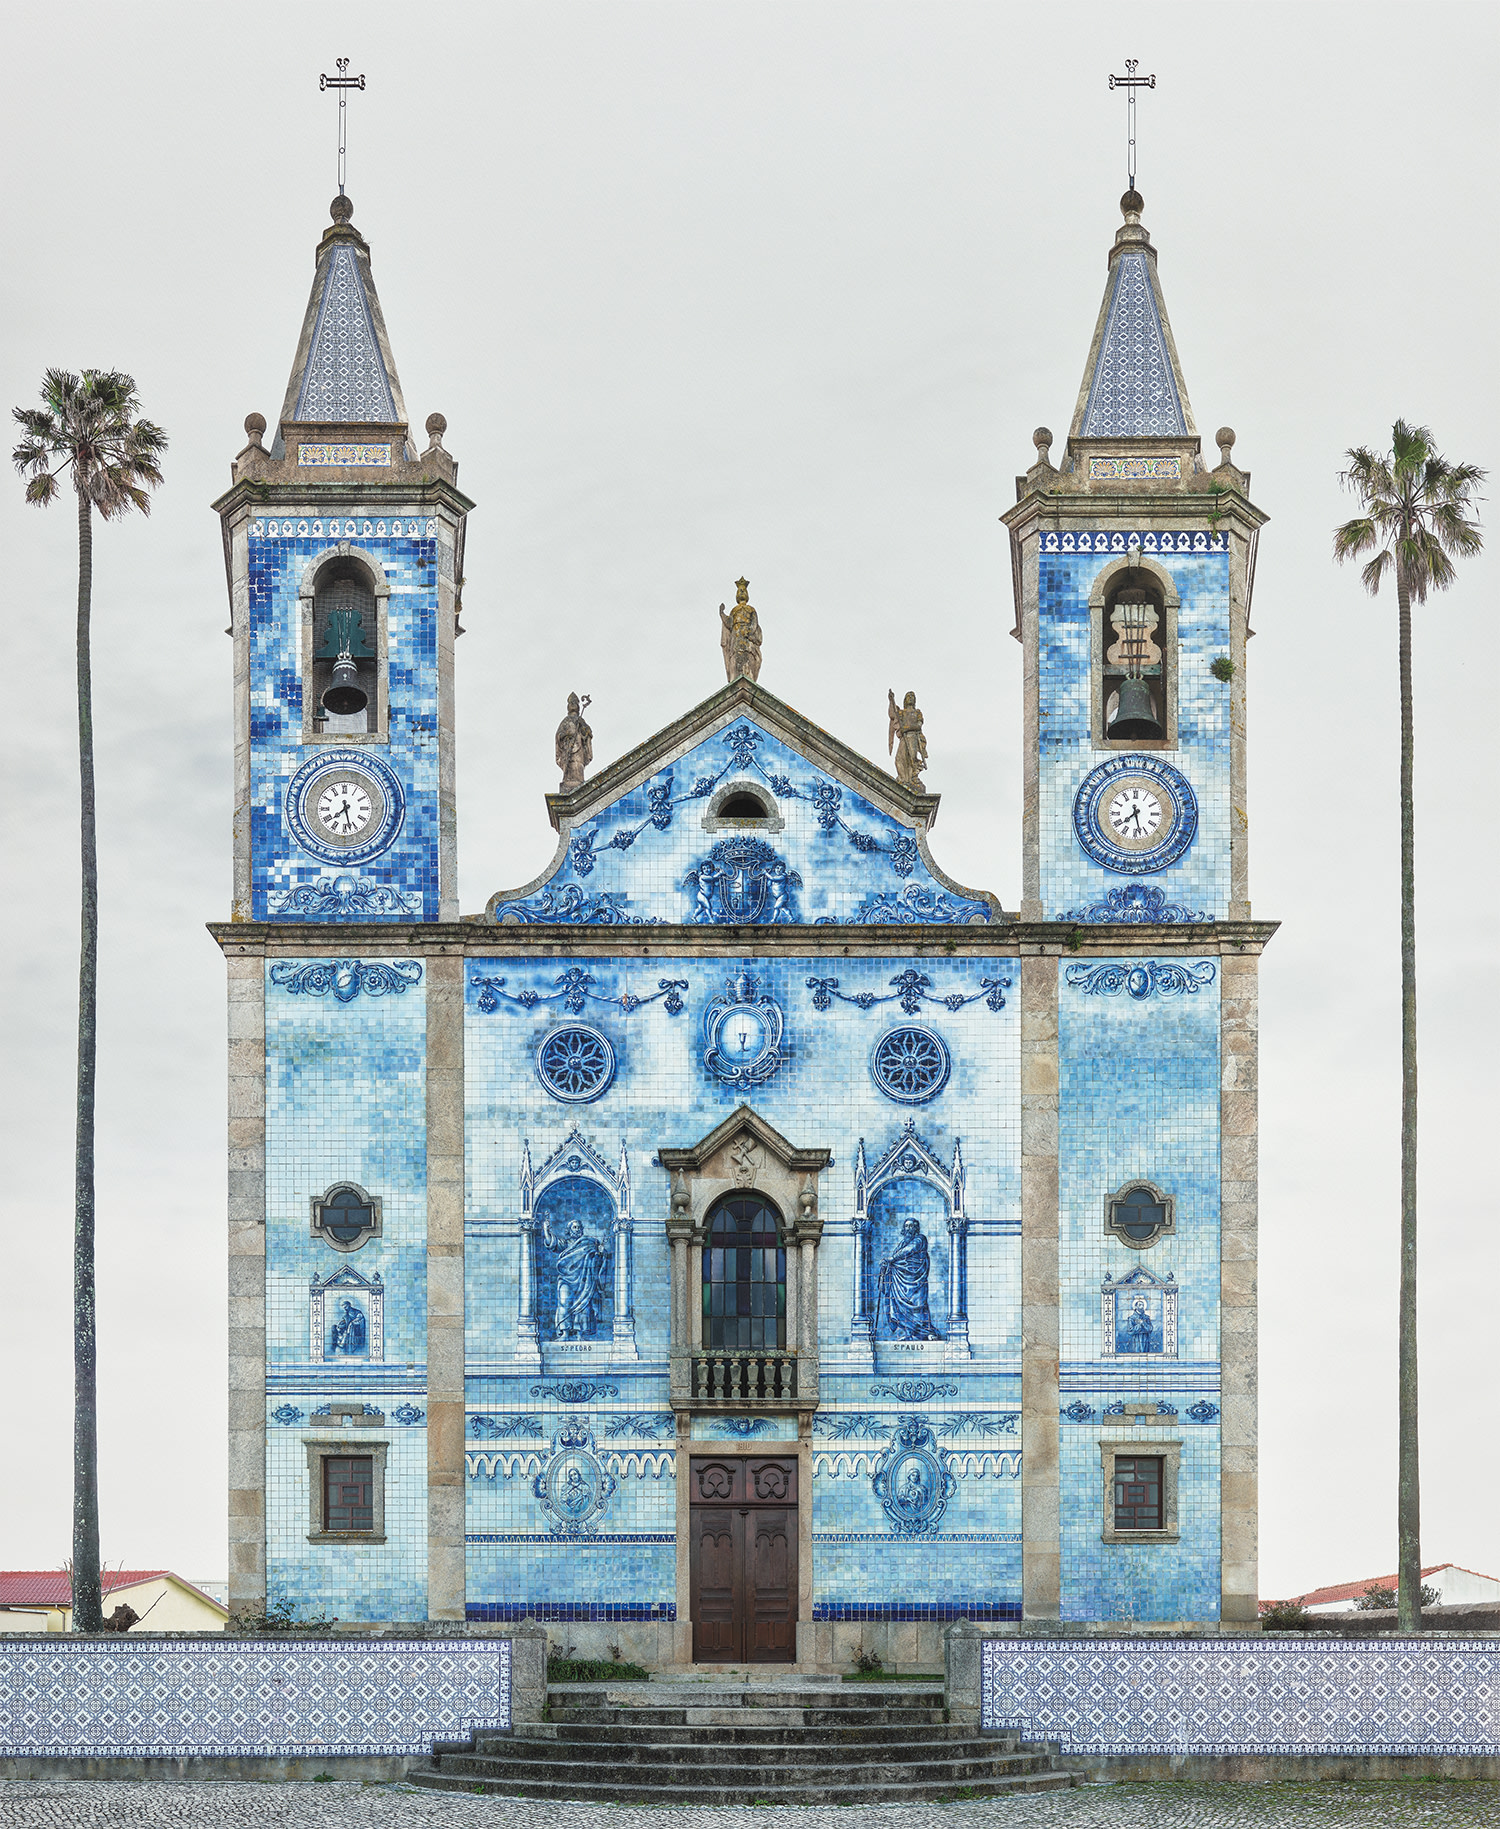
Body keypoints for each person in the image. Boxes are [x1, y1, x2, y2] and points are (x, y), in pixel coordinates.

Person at [876, 1217, 940, 1339]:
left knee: (919, 1306)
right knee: (901, 1308)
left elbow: (909, 1250)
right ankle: (909, 1333)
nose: (909, 1228)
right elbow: (899, 1257)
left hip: (916, 1280)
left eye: (911, 1226)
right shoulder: (902, 1243)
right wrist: (888, 1265)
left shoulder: (920, 1239)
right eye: (907, 1226)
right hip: (900, 1281)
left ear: (916, 1228)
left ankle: (928, 1332)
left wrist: (892, 1259)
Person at [544, 1216, 608, 1339]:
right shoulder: (566, 1244)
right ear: (569, 1230)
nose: (577, 1229)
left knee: (584, 1305)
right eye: (574, 1227)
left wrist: (600, 1253)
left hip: (585, 1279)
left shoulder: (589, 1243)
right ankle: (565, 1332)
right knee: (564, 1302)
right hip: (566, 1280)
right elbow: (552, 1243)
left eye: (579, 1227)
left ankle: (580, 1333)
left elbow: (598, 1259)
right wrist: (546, 1230)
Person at [719, 579, 763, 682]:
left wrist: (750, 631)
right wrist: (722, 614)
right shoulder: (734, 610)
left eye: (743, 590)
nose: (741, 592)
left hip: (747, 637)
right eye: (739, 591)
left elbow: (754, 622)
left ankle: (748, 677)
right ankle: (736, 677)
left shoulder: (751, 609)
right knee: (736, 657)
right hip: (736, 637)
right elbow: (729, 623)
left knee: (747, 657)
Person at [887, 689, 928, 789]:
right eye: (908, 697)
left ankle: (912, 778)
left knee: (912, 759)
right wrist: (891, 701)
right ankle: (903, 779)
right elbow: (893, 714)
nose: (910, 699)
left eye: (912, 697)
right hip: (904, 739)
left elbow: (918, 726)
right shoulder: (901, 713)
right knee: (899, 759)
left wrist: (906, 728)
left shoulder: (917, 712)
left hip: (913, 738)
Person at [555, 692, 593, 790]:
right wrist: (566, 736)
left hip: (578, 747)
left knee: (578, 765)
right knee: (569, 764)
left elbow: (588, 733)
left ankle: (578, 780)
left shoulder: (580, 720)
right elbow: (559, 735)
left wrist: (583, 728)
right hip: (568, 747)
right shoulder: (566, 721)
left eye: (574, 703)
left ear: (578, 707)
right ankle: (568, 781)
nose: (572, 705)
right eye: (570, 703)